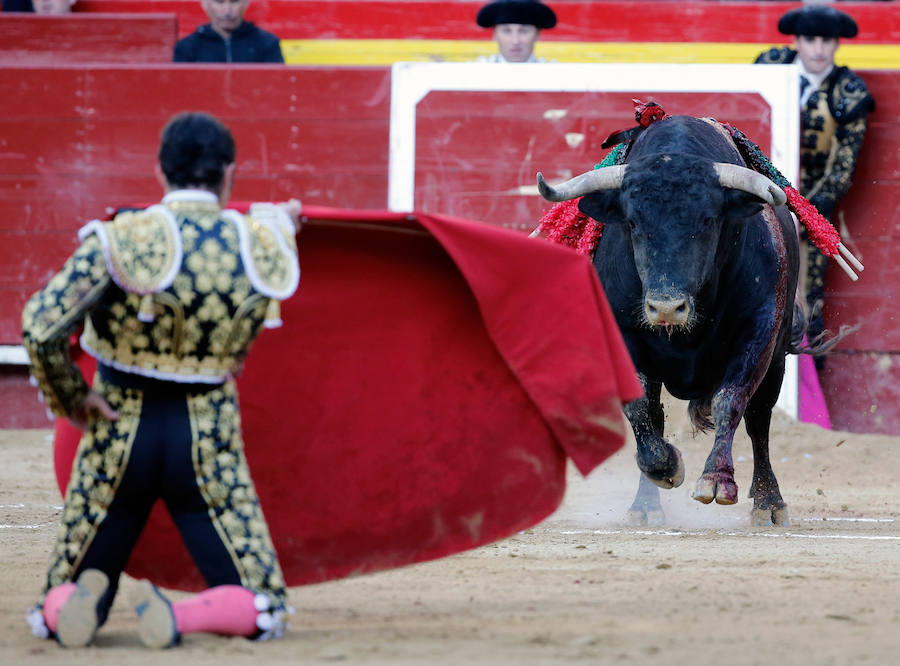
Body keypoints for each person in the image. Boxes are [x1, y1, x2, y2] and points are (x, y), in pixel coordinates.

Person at [23, 111, 301, 649]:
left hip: (118, 430)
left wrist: (74, 399)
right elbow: (278, 232)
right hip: (206, 437)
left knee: (61, 597)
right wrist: (284, 218)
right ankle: (179, 619)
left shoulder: (121, 237)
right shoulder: (259, 241)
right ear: (229, 174)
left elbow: (40, 327)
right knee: (263, 605)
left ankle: (72, 608)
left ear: (160, 170)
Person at [755, 4, 875, 360]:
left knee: (806, 301)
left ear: (837, 44)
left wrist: (803, 214)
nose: (819, 50)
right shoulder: (768, 67)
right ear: (796, 40)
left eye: (827, 41)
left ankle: (803, 393)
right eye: (811, 40)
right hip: (755, 205)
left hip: (810, 217)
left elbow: (841, 171)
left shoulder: (849, 93)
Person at [174, 0, 284, 63]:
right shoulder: (187, 47)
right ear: (205, 4)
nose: (227, 10)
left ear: (246, 3)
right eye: (219, 2)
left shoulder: (267, 43)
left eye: (234, 1)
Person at [475, 0, 556, 63]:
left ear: (537, 34)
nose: (515, 41)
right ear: (495, 34)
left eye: (524, 31)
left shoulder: (554, 73)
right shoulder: (475, 72)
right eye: (506, 31)